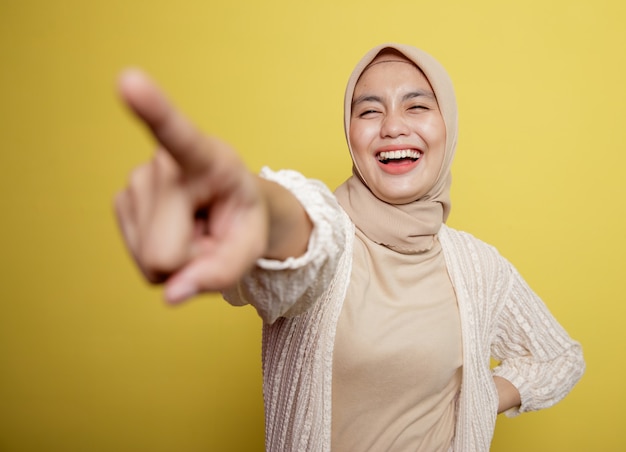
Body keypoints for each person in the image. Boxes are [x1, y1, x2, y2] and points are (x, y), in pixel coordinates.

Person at [114, 43, 585, 451]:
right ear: (350, 132)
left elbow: (559, 357)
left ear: (449, 126)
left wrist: (481, 397)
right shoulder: (328, 238)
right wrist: (254, 207)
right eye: (369, 110)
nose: (393, 127)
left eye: (416, 106)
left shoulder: (479, 267)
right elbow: (301, 242)